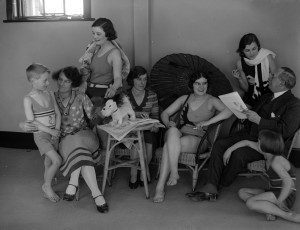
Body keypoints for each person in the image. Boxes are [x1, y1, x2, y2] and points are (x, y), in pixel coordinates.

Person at [188, 67, 300, 202]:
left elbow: (286, 130)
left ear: (282, 83)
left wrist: (259, 120)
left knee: (239, 154)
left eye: (273, 75)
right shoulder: (266, 96)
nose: (269, 77)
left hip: (267, 145)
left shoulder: (294, 104)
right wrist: (243, 113)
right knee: (219, 144)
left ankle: (219, 184)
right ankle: (211, 186)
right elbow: (252, 109)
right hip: (247, 134)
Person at [21, 66, 108, 213]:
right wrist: (23, 124)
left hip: (85, 136)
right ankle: (97, 194)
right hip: (65, 140)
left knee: (77, 142)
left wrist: (103, 112)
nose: (61, 84)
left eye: (66, 81)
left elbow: (94, 118)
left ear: (73, 83)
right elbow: (34, 116)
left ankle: (73, 183)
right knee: (76, 147)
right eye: (60, 80)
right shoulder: (50, 96)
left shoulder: (81, 96)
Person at [153, 72, 232, 203]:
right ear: (192, 85)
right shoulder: (185, 98)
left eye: (204, 83)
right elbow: (165, 113)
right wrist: (168, 122)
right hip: (178, 134)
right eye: (197, 83)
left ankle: (160, 188)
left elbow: (229, 111)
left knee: (168, 146)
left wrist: (207, 123)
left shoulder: (211, 100)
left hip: (198, 138)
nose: (201, 87)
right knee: (172, 131)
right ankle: (174, 171)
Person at [78, 17, 130, 149]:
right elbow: (87, 71)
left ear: (108, 34)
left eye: (98, 34)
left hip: (103, 95)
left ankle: (106, 160)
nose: (94, 37)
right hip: (89, 93)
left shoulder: (114, 53)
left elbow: (118, 78)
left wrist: (113, 88)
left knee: (101, 128)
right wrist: (83, 83)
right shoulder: (93, 49)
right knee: (86, 127)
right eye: (93, 33)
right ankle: (92, 160)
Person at [232, 130, 300, 223]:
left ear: (266, 147)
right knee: (242, 192)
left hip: (284, 196)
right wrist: (229, 151)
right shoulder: (267, 153)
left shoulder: (276, 161)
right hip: (274, 191)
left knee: (250, 203)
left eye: (259, 142)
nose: (256, 143)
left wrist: (279, 201)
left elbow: (289, 183)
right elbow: (246, 142)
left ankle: (286, 214)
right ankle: (270, 210)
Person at [23, 63, 62, 203]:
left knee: (48, 161)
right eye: (44, 80)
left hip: (54, 133)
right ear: (33, 80)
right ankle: (46, 186)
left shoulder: (50, 94)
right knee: (58, 160)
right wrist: (51, 131)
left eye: (48, 80)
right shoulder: (28, 99)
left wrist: (56, 131)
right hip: (41, 136)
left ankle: (48, 180)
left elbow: (57, 113)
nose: (47, 83)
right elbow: (32, 122)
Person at [126, 66, 160, 189]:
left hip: (148, 130)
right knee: (138, 141)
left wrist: (152, 124)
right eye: (139, 79)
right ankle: (134, 174)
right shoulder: (124, 96)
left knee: (149, 141)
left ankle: (142, 175)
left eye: (145, 79)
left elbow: (156, 118)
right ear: (132, 80)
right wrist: (137, 115)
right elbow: (120, 117)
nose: (142, 83)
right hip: (129, 132)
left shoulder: (152, 96)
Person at [232, 33, 276, 107]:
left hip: (268, 94)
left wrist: (258, 82)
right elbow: (246, 89)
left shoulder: (267, 56)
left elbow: (276, 80)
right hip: (251, 96)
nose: (251, 53)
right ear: (242, 51)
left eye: (254, 49)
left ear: (258, 46)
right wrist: (240, 79)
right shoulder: (240, 63)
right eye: (247, 50)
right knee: (243, 114)